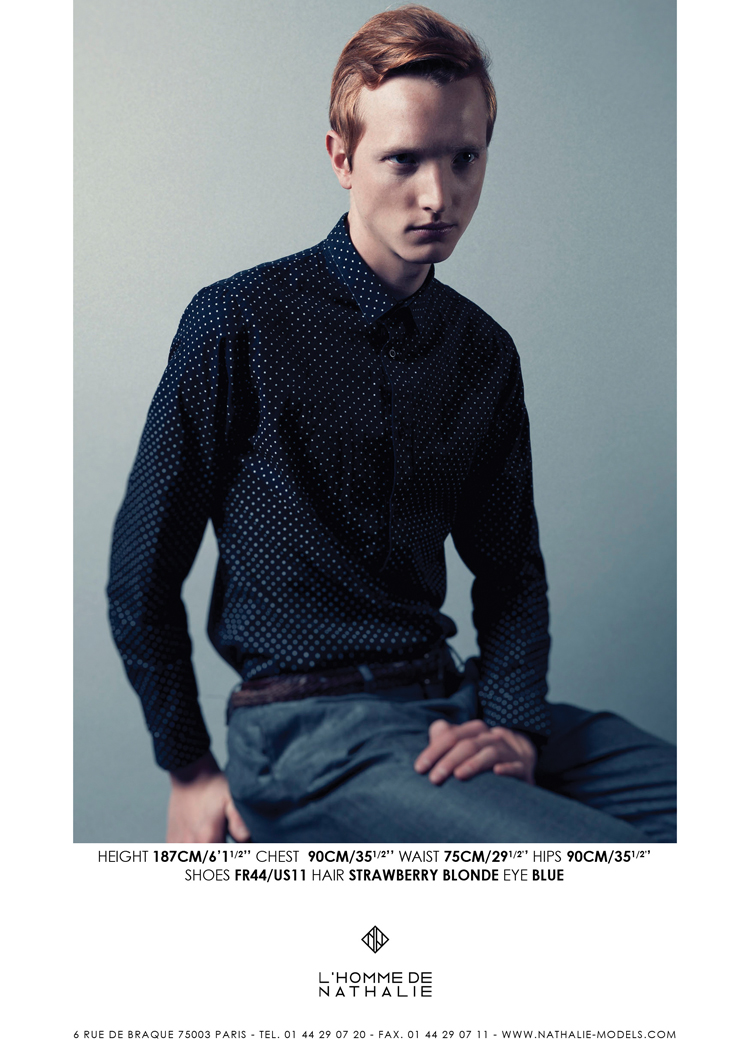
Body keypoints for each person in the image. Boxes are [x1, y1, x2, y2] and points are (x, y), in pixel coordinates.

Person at [107, 5, 676, 844]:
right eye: (403, 159)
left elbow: (512, 574)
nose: (438, 196)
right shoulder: (239, 321)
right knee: (595, 861)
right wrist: (188, 767)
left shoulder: (481, 352)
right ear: (341, 158)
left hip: (449, 698)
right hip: (308, 734)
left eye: (464, 158)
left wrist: (514, 725)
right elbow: (141, 574)